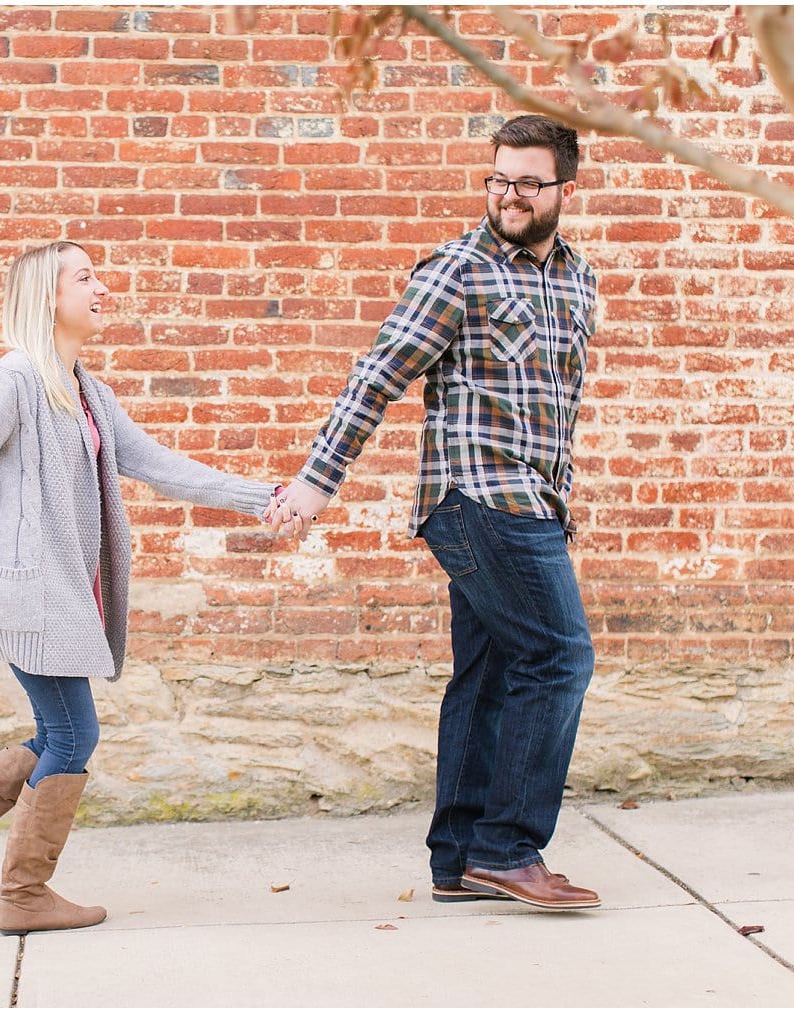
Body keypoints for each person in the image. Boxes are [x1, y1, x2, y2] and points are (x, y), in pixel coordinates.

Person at [0, 241, 279, 934]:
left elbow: (159, 465)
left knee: (56, 733)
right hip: (25, 592)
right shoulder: (13, 381)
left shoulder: (87, 391)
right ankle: (22, 892)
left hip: (56, 592)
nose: (102, 285)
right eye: (85, 276)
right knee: (74, 734)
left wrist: (265, 498)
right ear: (48, 295)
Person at [267, 115, 602, 911]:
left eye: (526, 181)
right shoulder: (457, 270)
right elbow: (377, 374)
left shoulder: (577, 278)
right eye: (497, 178)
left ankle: (457, 856)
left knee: (490, 673)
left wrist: (562, 498)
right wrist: (318, 482)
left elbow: (556, 405)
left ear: (563, 187)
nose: (508, 195)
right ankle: (508, 847)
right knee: (560, 656)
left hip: (532, 502)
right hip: (477, 497)